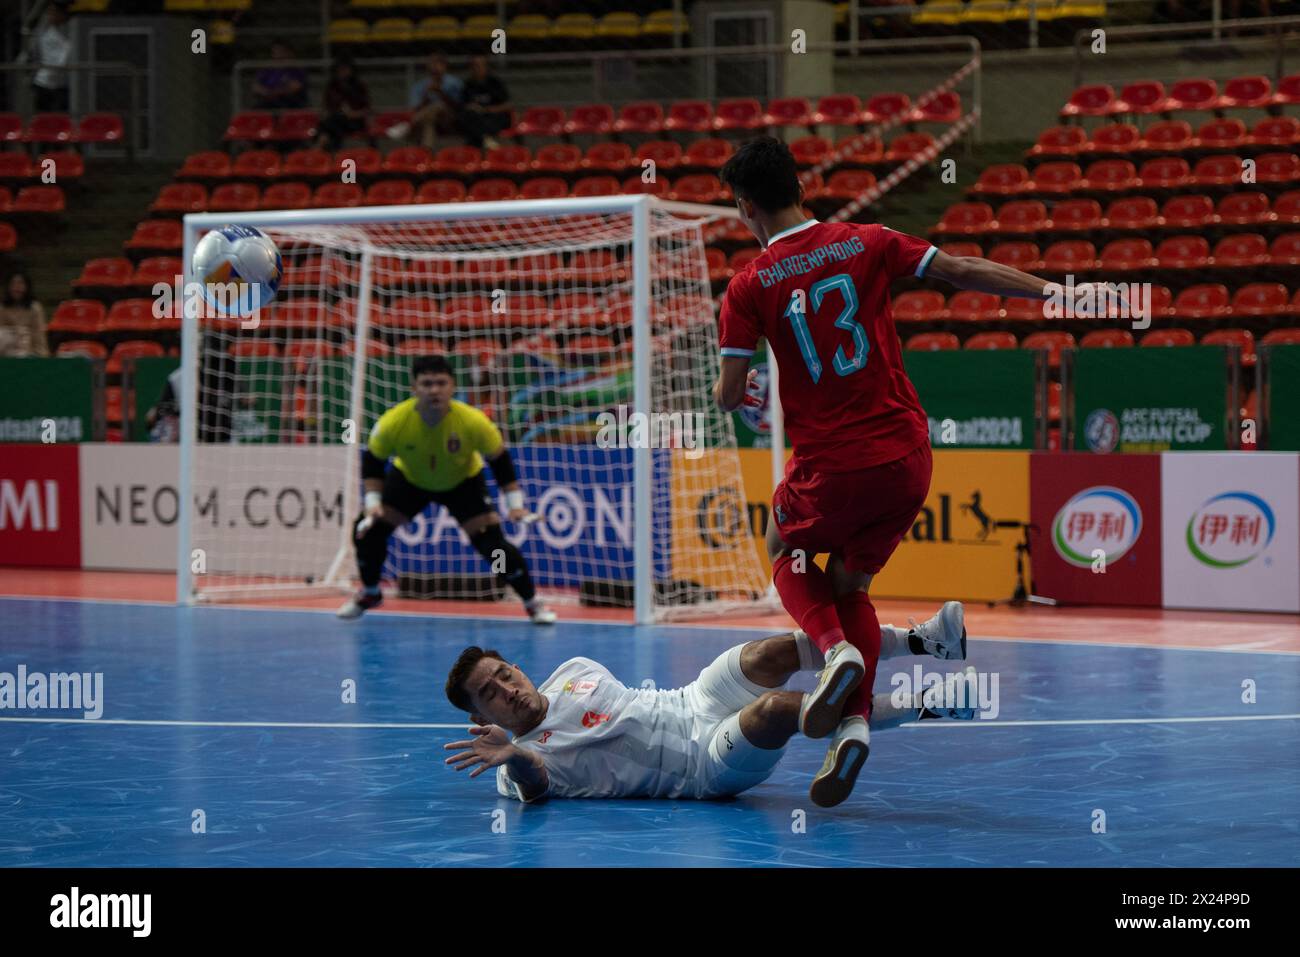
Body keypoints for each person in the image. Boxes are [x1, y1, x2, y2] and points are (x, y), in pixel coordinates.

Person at [712, 136, 1068, 805]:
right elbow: (960, 269)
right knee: (851, 584)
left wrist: (746, 388)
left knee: (782, 546)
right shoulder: (866, 239)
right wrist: (1052, 290)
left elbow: (730, 394)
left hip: (832, 463)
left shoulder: (749, 285)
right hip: (907, 456)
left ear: (745, 205)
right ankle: (854, 731)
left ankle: (835, 653)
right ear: (799, 184)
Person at [443, 610, 971, 806]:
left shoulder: (573, 671)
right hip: (700, 766)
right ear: (480, 719)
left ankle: (925, 643)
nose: (507, 689)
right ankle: (926, 704)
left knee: (775, 650)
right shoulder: (516, 764)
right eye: (490, 693)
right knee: (776, 710)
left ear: (516, 667)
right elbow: (535, 782)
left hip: (691, 699)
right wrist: (511, 755)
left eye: (504, 674)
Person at [337, 354, 557, 625]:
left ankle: (532, 603)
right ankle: (370, 593)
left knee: (493, 547)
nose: (434, 390)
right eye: (427, 384)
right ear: (414, 388)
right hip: (410, 481)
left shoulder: (473, 421)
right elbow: (373, 461)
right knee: (368, 529)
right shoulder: (394, 421)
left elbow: (499, 460)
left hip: (462, 482)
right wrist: (372, 501)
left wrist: (514, 504)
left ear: (452, 386)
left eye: (441, 383)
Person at [397, 53, 463, 148]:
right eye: (432, 63)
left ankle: (409, 125)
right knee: (429, 122)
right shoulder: (420, 86)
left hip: (449, 119)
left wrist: (440, 93)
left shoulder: (454, 83)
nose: (435, 67)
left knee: (438, 105)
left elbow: (459, 105)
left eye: (439, 63)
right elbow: (415, 108)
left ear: (445, 66)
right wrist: (425, 96)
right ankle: (427, 153)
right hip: (428, 119)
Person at [316, 56, 370, 151]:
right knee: (333, 121)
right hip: (336, 119)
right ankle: (326, 145)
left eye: (345, 69)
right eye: (340, 69)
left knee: (330, 125)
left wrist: (353, 114)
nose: (342, 72)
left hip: (354, 120)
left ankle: (321, 146)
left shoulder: (359, 86)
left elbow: (367, 109)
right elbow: (326, 106)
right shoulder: (332, 86)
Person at [457, 55, 511, 150]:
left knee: (496, 119)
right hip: (475, 117)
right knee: (467, 116)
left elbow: (507, 105)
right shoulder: (468, 84)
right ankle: (485, 139)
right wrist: (472, 107)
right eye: (473, 66)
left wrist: (485, 109)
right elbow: (463, 105)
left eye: (479, 66)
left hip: (493, 116)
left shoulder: (495, 83)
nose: (476, 69)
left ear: (486, 67)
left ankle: (479, 141)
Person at [27, 0, 72, 113]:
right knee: (42, 114)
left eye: (54, 12)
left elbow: (65, 56)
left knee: (60, 115)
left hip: (61, 82)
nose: (51, 15)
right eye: (49, 12)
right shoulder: (43, 31)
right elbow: (35, 51)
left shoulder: (70, 31)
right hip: (43, 81)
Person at [0, 271, 49, 358]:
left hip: (29, 353)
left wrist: (42, 357)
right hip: (7, 352)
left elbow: (39, 337)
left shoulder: (35, 308)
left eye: (20, 283)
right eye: (13, 284)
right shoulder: (2, 308)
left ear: (27, 287)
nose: (16, 287)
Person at [252, 41, 308, 110]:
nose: (278, 55)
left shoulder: (297, 70)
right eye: (275, 52)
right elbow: (256, 87)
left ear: (289, 53)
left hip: (290, 103)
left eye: (281, 52)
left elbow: (296, 87)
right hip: (269, 101)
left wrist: (277, 92)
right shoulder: (267, 69)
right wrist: (266, 92)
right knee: (255, 110)